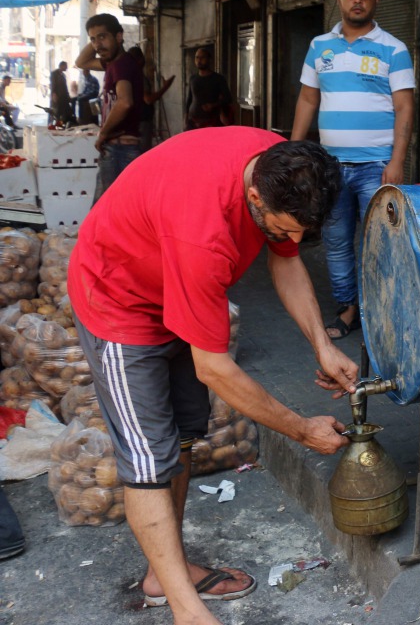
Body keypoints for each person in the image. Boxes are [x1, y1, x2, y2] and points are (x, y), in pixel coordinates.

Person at [66, 127, 359, 625]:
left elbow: (285, 261)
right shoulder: (201, 231)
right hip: (120, 304)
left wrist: (323, 344)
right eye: (281, 229)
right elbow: (215, 368)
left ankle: (166, 573)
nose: (290, 242)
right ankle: (187, 611)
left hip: (175, 288)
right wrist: (301, 429)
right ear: (252, 197)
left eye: (301, 234)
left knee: (180, 439)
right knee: (148, 461)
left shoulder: (282, 166)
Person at [290, 0, 416, 340]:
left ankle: (383, 310)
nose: (357, 0)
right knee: (337, 242)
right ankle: (348, 310)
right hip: (331, 167)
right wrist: (296, 153)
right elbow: (308, 98)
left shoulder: (394, 49)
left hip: (376, 166)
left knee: (383, 242)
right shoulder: (319, 47)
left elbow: (405, 107)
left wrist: (396, 161)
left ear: (375, 0)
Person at [75, 13, 146, 199]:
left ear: (119, 36)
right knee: (113, 211)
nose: (98, 44)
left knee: (106, 211)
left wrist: (103, 134)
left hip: (120, 149)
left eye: (103, 36)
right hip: (119, 149)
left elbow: (125, 102)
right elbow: (80, 62)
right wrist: (98, 43)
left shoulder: (122, 65)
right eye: (93, 39)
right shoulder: (112, 64)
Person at [126, 45, 176, 153]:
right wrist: (165, 87)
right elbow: (148, 99)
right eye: (141, 57)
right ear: (139, 60)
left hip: (135, 120)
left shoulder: (129, 76)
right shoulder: (139, 77)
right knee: (142, 153)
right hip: (142, 121)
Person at [184, 47, 233, 130]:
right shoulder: (193, 78)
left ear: (209, 59)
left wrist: (213, 105)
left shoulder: (218, 78)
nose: (199, 60)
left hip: (211, 121)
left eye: (202, 57)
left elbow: (228, 98)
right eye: (197, 57)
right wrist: (185, 117)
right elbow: (189, 99)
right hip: (193, 121)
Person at [50, 61, 75, 126]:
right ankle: (53, 125)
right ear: (62, 66)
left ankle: (63, 124)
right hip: (57, 96)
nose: (66, 68)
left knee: (66, 112)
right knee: (56, 112)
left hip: (63, 97)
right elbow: (53, 85)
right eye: (65, 66)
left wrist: (68, 95)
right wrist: (54, 94)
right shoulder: (54, 74)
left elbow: (65, 86)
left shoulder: (63, 75)